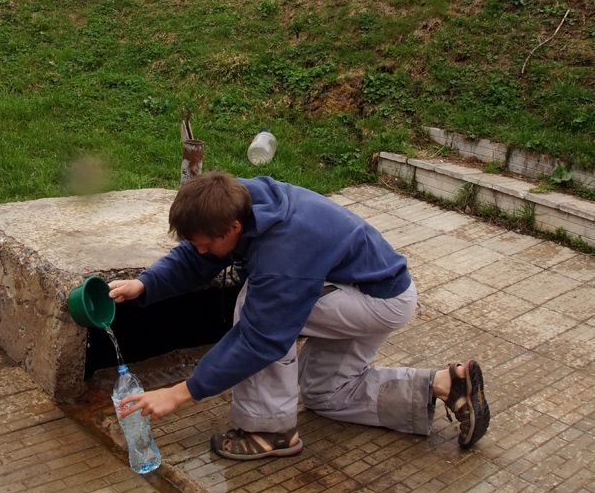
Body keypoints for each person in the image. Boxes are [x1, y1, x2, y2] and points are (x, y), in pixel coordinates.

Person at [109, 171, 490, 460]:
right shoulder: (233, 199)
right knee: (327, 395)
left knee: (255, 311)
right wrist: (146, 284)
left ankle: (268, 430)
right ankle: (446, 385)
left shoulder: (282, 256)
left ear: (234, 229)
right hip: (362, 288)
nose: (202, 250)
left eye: (208, 244)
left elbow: (261, 339)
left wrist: (178, 394)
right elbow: (197, 252)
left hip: (376, 299)